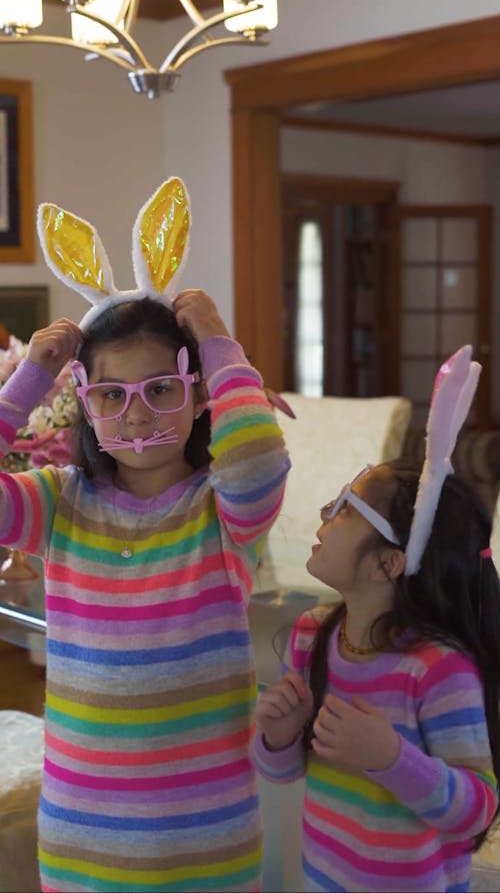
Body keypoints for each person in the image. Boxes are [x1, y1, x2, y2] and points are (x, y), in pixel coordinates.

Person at [0, 178, 290, 893]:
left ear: (197, 395)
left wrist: (219, 341)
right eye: (111, 396)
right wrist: (28, 379)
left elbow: (259, 456)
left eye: (161, 388)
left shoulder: (223, 511)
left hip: (208, 844)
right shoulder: (60, 502)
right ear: (84, 400)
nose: (135, 416)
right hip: (80, 844)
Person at [253, 345, 500, 892]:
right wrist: (276, 735)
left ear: (389, 563)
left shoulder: (437, 668)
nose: (325, 513)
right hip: (321, 879)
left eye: (346, 508)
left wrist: (390, 757)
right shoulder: (313, 634)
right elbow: (286, 772)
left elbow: (478, 810)